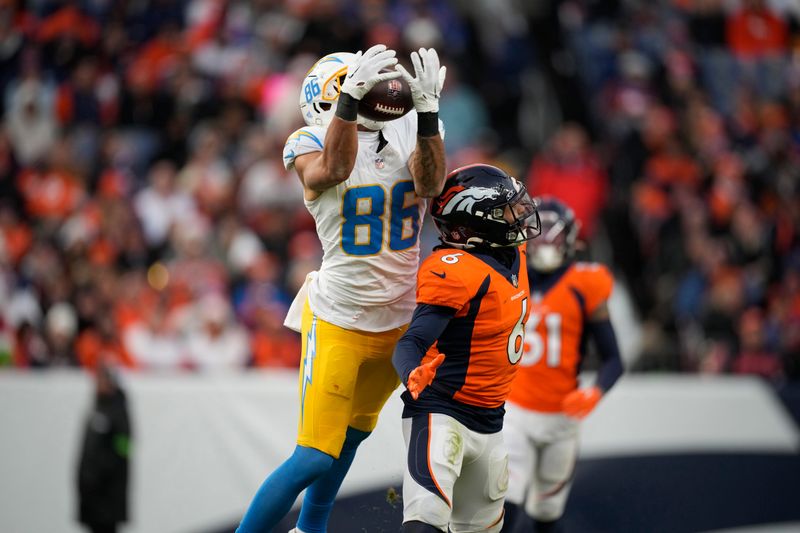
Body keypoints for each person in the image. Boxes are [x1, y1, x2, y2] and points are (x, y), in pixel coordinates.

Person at [236, 43, 447, 533]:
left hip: (398, 322)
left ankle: (310, 531)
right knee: (313, 455)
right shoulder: (307, 141)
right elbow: (331, 169)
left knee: (351, 440)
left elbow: (433, 184)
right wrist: (349, 105)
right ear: (335, 97)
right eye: (359, 84)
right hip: (340, 319)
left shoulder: (404, 128)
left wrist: (429, 114)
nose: (377, 90)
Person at [392, 164, 541, 533]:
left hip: (491, 420)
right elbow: (411, 341)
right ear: (474, 224)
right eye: (503, 211)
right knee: (425, 523)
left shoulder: (514, 251)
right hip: (443, 411)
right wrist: (413, 371)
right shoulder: (455, 270)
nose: (516, 216)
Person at [499, 197, 624, 533]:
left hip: (562, 417)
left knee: (546, 515)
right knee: (504, 504)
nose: (545, 244)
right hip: (514, 410)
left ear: (570, 239)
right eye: (539, 235)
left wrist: (596, 391)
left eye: (553, 237)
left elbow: (613, 359)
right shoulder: (509, 273)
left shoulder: (586, 283)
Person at [76, 361, 132, 533]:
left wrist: (103, 471)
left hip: (107, 496)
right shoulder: (97, 408)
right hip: (92, 496)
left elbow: (125, 449)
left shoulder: (118, 412)